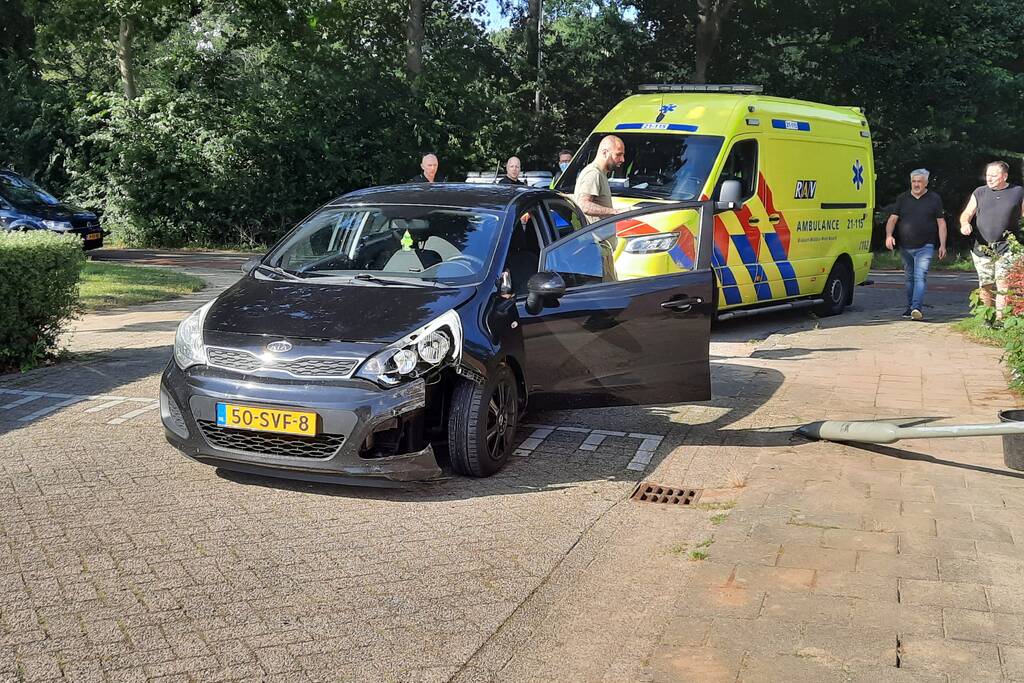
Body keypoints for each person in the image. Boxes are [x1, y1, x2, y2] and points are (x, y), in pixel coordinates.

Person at [959, 161, 1024, 325]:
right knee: (986, 283)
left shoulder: (1017, 192)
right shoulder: (979, 192)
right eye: (988, 175)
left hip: (1007, 246)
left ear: (1005, 176)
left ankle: (1002, 320)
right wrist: (965, 223)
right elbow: (967, 213)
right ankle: (988, 319)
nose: (989, 178)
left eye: (994, 175)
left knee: (1003, 282)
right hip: (982, 247)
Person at [883, 168, 947, 320]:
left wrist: (942, 245)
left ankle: (916, 307)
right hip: (905, 246)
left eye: (919, 181)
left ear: (926, 183)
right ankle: (910, 307)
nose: (916, 184)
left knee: (920, 276)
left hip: (926, 245)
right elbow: (892, 219)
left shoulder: (934, 198)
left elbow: (941, 223)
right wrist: (888, 236)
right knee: (909, 277)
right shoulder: (903, 198)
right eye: (914, 181)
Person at [573, 135, 627, 223]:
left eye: (623, 155)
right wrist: (616, 212)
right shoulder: (593, 173)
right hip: (594, 236)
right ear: (605, 153)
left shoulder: (601, 173)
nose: (622, 159)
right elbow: (584, 206)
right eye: (618, 155)